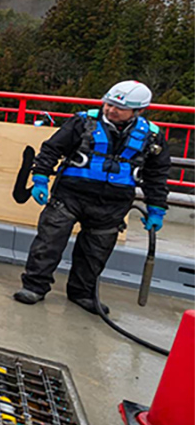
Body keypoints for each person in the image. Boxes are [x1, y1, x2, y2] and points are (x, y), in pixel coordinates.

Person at [15, 80, 170, 314]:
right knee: (49, 241)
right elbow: (51, 149)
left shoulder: (152, 137)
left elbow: (157, 174)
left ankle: (82, 293)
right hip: (70, 194)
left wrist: (156, 208)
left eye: (119, 108)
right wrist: (40, 177)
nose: (111, 109)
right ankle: (35, 286)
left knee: (95, 251)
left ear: (138, 111)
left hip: (113, 203)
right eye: (108, 104)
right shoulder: (83, 122)